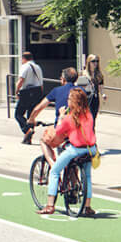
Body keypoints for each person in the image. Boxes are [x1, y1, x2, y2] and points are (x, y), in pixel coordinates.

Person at [38, 87, 98, 217]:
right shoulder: (89, 114)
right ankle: (87, 207)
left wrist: (61, 116)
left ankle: (49, 205)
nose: (67, 100)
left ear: (73, 102)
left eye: (69, 99)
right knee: (87, 176)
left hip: (76, 150)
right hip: (91, 149)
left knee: (54, 172)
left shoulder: (69, 118)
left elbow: (59, 131)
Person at [27, 65, 79, 164]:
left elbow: (39, 107)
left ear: (63, 79)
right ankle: (72, 177)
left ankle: (53, 166)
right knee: (72, 163)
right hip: (77, 131)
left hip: (62, 129)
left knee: (44, 141)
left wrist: (31, 119)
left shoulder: (57, 91)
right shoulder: (81, 91)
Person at [15, 50, 45, 143]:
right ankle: (28, 139)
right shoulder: (38, 67)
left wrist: (16, 91)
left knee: (18, 114)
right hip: (37, 91)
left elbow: (21, 80)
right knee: (31, 116)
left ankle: (27, 130)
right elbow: (41, 83)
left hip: (26, 92)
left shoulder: (25, 66)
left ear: (24, 58)